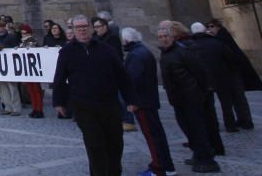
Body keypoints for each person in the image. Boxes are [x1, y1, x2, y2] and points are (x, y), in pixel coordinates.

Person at [52, 14, 137, 176]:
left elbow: (122, 76)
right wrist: (59, 102)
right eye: (78, 28)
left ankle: (114, 172)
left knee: (115, 142)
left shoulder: (106, 49)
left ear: (91, 28)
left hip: (109, 104)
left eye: (85, 27)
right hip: (83, 106)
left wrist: (131, 99)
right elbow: (60, 78)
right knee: (94, 143)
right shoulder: (67, 51)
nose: (82, 30)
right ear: (74, 30)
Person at [158, 21, 221, 173]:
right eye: (160, 37)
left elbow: (200, 72)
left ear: (172, 36)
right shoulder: (166, 54)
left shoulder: (183, 51)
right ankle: (198, 155)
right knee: (188, 129)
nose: (164, 39)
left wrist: (202, 91)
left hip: (191, 97)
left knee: (197, 129)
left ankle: (207, 159)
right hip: (178, 99)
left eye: (166, 36)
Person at [122, 27, 175, 176]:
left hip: (142, 102)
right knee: (156, 134)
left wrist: (131, 101)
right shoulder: (143, 51)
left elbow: (132, 80)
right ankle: (167, 166)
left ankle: (159, 168)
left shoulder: (136, 55)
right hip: (148, 100)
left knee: (152, 136)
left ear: (126, 40)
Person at [197, 21, 254, 132]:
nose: (210, 29)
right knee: (231, 100)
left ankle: (243, 121)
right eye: (208, 27)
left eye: (212, 26)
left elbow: (232, 57)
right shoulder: (216, 40)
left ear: (218, 27)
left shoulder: (221, 39)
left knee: (236, 99)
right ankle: (239, 121)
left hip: (231, 74)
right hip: (225, 75)